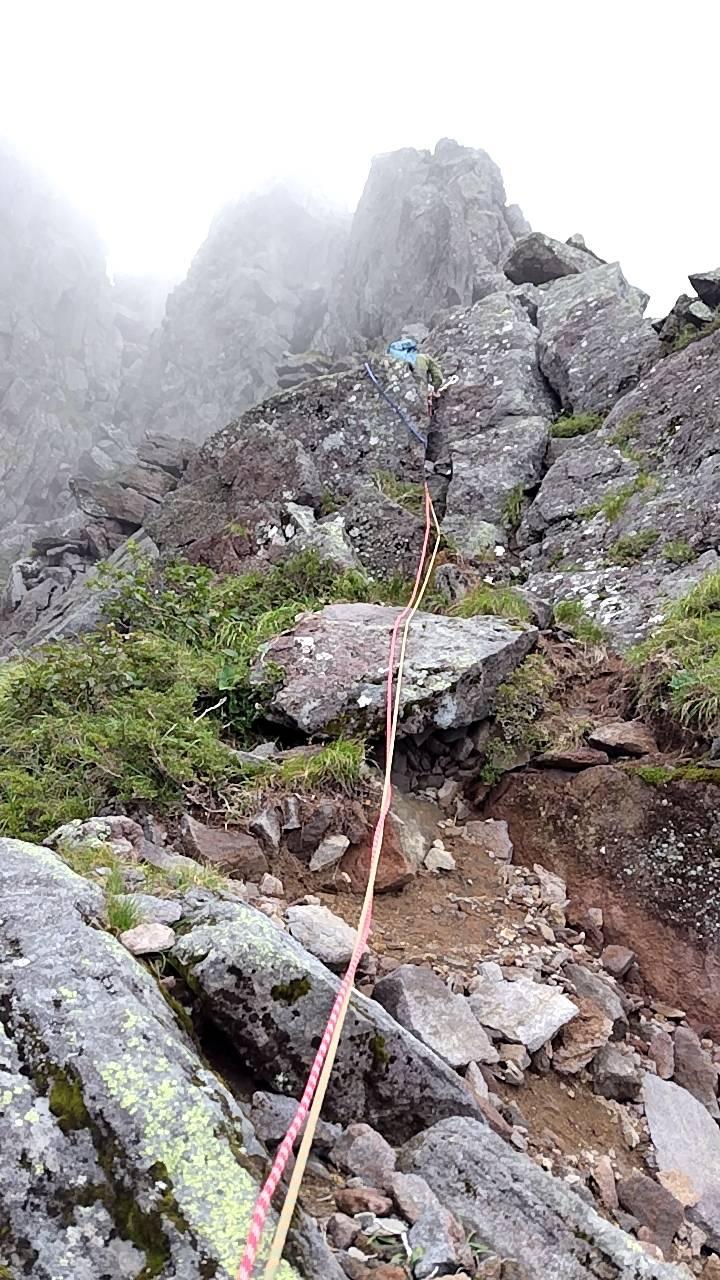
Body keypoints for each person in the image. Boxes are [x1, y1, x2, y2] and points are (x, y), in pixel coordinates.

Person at [387, 337, 444, 419]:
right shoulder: (422, 358)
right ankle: (426, 415)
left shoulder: (391, 359)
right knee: (423, 395)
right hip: (418, 374)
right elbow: (438, 376)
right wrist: (435, 388)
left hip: (398, 398)